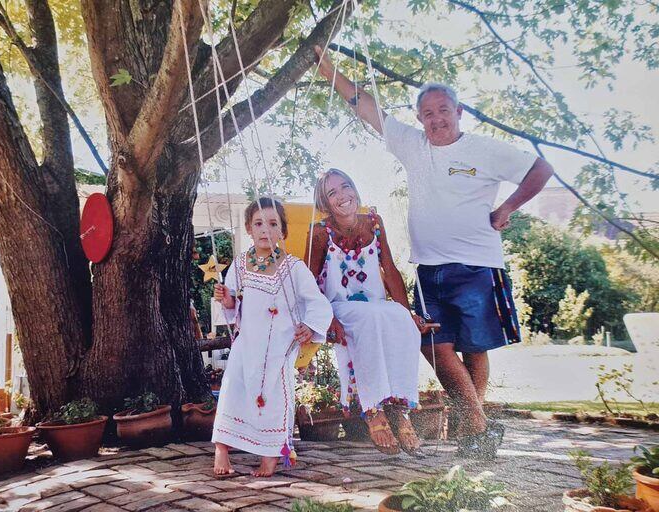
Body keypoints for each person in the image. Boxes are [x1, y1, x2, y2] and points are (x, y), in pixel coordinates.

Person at [314, 46, 554, 458]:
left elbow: (541, 169)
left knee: (474, 348)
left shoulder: (485, 149)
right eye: (427, 113)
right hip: (429, 267)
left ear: (459, 111)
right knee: (433, 344)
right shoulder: (412, 145)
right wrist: (331, 72)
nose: (436, 119)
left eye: (443, 110)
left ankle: (473, 436)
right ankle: (478, 427)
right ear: (420, 118)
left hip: (479, 265)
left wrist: (508, 207)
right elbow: (369, 111)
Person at [306, 168, 433, 457]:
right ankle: (373, 408)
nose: (342, 196)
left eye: (346, 186)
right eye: (332, 192)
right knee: (370, 318)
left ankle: (400, 408)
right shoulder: (319, 232)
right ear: (325, 203)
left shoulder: (375, 222)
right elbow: (308, 283)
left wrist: (408, 312)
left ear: (355, 189)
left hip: (374, 305)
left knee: (399, 319)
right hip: (338, 306)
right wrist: (328, 319)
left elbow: (388, 268)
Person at [212, 197, 333, 477]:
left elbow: (317, 302)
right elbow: (232, 305)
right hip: (247, 342)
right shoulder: (241, 264)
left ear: (282, 232)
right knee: (234, 388)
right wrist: (227, 299)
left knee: (274, 395)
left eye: (272, 223)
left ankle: (270, 453)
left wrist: (310, 326)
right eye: (258, 223)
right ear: (249, 229)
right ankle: (222, 447)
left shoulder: (293, 268)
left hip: (279, 345)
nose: (265, 229)